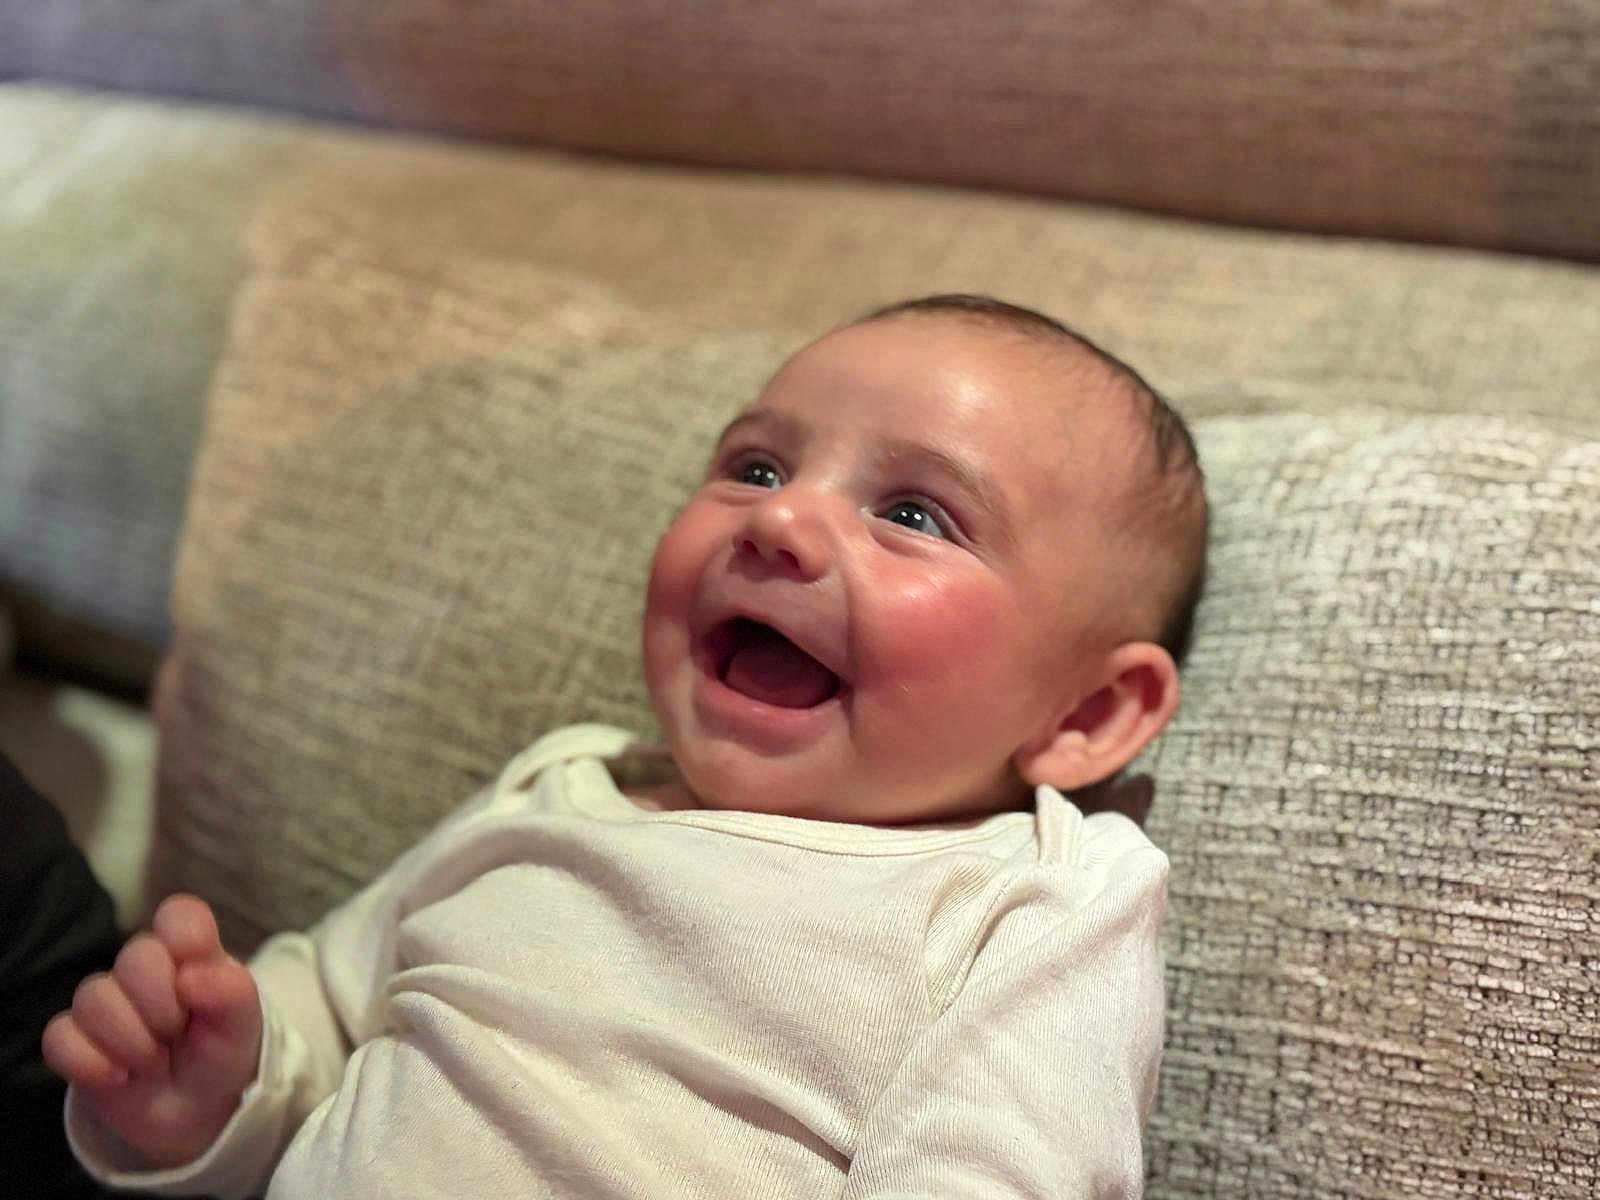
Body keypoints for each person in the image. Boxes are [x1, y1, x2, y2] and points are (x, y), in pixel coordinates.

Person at [44, 294, 1208, 1198]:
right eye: (754, 467)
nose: (781, 517)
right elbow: (332, 1004)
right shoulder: (561, 784)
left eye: (913, 514)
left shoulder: (1035, 898)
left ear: (1085, 717)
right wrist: (218, 1086)